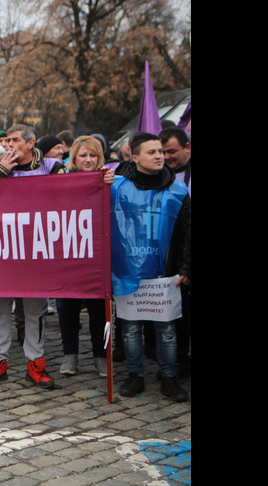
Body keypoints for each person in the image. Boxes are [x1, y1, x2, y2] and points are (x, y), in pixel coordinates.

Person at [0, 124, 65, 389]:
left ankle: (35, 364)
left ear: (30, 143)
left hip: (36, 249)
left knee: (35, 310)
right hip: (3, 249)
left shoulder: (51, 166)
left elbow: (70, 192)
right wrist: (2, 170)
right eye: (6, 141)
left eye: (15, 140)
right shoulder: (0, 168)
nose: (8, 145)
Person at [112, 132, 190, 402]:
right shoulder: (116, 187)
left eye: (160, 151)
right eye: (152, 152)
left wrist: (186, 268)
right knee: (130, 329)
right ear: (135, 158)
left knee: (167, 331)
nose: (160, 156)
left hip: (165, 275)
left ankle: (169, 377)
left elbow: (188, 232)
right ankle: (136, 376)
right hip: (128, 272)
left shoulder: (178, 191)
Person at [58, 136, 113, 377]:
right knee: (67, 308)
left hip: (96, 255)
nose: (88, 160)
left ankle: (100, 356)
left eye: (93, 155)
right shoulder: (62, 181)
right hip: (68, 254)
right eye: (83, 155)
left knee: (98, 311)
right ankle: (70, 355)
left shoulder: (108, 179)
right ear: (74, 159)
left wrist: (109, 184)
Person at [159, 126, 192, 374]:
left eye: (172, 151)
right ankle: (178, 359)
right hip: (172, 254)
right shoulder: (162, 175)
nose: (167, 156)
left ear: (187, 148)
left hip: (187, 252)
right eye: (163, 152)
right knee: (178, 313)